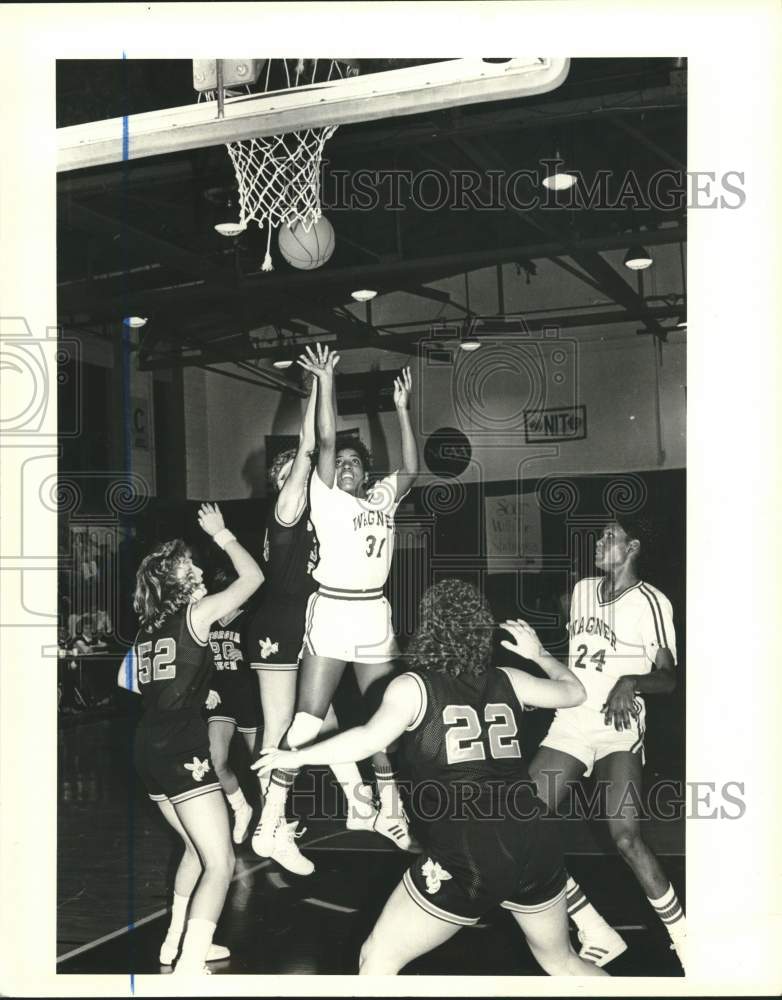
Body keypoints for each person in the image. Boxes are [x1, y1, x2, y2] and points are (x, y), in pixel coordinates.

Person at [254, 579, 607, 977]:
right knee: (562, 962)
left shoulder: (413, 688)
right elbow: (575, 693)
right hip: (534, 837)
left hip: (469, 848)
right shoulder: (510, 678)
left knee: (378, 960)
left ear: (427, 629)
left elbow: (364, 740)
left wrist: (295, 755)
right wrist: (540, 653)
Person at [253, 343, 419, 868]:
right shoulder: (324, 497)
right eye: (340, 461)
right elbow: (323, 439)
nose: (345, 464)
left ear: (365, 473)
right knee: (307, 720)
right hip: (332, 610)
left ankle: (387, 809)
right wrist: (326, 382)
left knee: (382, 717)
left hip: (375, 614)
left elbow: (412, 469)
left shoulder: (380, 498)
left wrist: (400, 411)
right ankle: (270, 816)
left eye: (354, 461)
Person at [528, 516, 687, 971]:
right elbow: (577, 637)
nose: (599, 542)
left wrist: (631, 680)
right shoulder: (580, 592)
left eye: (608, 537)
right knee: (517, 825)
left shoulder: (652, 602)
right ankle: (593, 927)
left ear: (632, 546)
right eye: (599, 536)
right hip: (571, 722)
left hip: (618, 726)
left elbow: (669, 677)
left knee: (624, 836)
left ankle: (685, 938)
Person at [118, 503, 263, 974]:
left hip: (147, 747)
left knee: (194, 849)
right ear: (179, 580)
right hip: (181, 745)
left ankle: (175, 942)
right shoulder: (196, 615)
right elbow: (252, 579)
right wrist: (223, 535)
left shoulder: (145, 630)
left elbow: (130, 684)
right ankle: (187, 968)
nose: (200, 570)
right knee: (220, 862)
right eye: (191, 565)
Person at [246, 372, 378, 875]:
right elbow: (309, 446)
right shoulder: (286, 509)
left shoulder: (320, 516)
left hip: (311, 622)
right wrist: (314, 392)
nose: (303, 474)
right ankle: (272, 825)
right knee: (282, 727)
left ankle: (356, 799)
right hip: (281, 623)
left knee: (320, 720)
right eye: (294, 471)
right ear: (283, 480)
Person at [204, 564, 260, 847]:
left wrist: (248, 656)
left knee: (262, 766)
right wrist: (204, 688)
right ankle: (241, 808)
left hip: (249, 696)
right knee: (215, 761)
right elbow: (199, 662)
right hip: (221, 697)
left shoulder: (252, 619)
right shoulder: (209, 619)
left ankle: (273, 825)